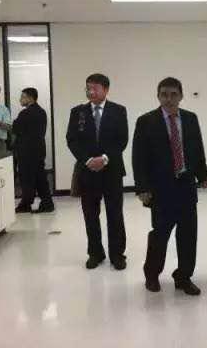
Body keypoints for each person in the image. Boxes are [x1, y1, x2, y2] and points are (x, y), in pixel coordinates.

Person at [132, 77, 207, 296]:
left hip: (186, 185)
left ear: (181, 96)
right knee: (160, 234)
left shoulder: (190, 119)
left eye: (173, 94)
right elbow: (139, 157)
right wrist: (142, 188)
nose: (168, 99)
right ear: (158, 96)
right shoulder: (146, 121)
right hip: (161, 188)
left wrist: (203, 174)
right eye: (164, 94)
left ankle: (183, 276)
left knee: (188, 235)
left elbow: (197, 148)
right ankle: (152, 274)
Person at [66, 73, 128, 270]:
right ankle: (95, 253)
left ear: (106, 89)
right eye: (88, 88)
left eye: (95, 88)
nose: (90, 92)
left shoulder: (119, 111)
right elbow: (71, 140)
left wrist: (105, 158)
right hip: (87, 171)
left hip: (112, 170)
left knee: (115, 214)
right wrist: (88, 160)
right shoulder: (78, 112)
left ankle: (117, 255)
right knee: (90, 215)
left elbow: (122, 139)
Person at [13, 88, 54, 213]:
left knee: (27, 178)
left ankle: (26, 204)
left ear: (30, 98)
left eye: (22, 97)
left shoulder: (25, 113)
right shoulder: (42, 112)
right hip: (39, 150)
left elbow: (15, 129)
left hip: (26, 151)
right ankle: (47, 203)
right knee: (40, 177)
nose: (20, 99)